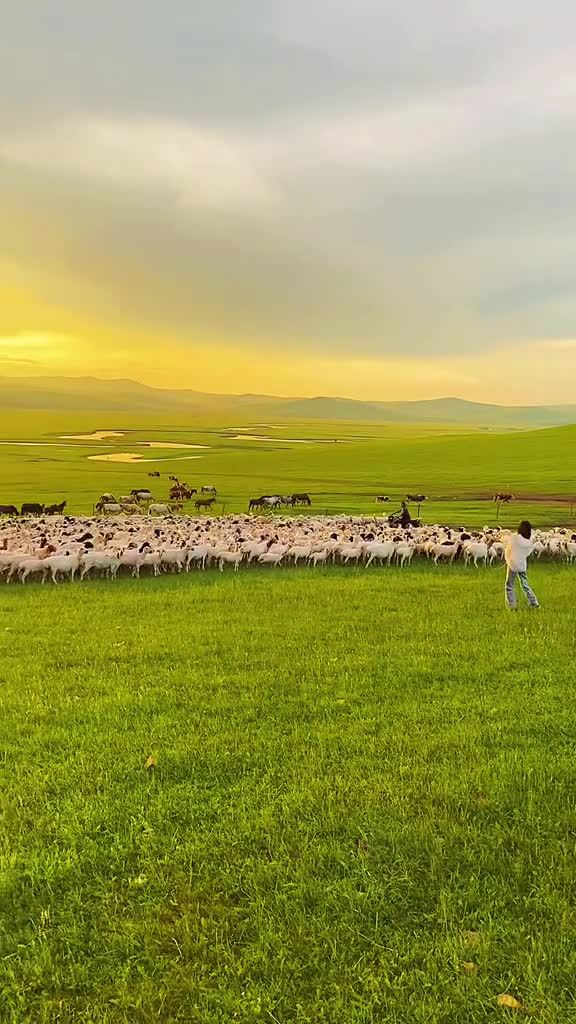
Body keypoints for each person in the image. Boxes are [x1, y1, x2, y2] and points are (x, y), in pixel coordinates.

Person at [505, 521, 539, 610]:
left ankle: (512, 606)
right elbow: (527, 553)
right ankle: (534, 603)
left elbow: (508, 548)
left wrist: (508, 558)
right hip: (522, 565)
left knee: (509, 585)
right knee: (525, 585)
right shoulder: (529, 542)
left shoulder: (515, 538)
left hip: (512, 564)